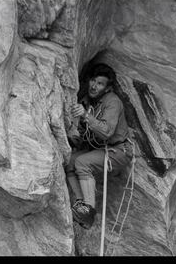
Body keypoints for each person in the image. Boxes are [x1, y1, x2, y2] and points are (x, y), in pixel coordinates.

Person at [66, 63, 133, 229]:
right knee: (69, 161)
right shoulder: (89, 101)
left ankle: (88, 213)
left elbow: (107, 132)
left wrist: (86, 116)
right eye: (93, 81)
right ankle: (81, 205)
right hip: (99, 149)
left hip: (118, 151)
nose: (94, 86)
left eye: (100, 83)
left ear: (108, 87)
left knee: (82, 163)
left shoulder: (113, 102)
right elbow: (86, 134)